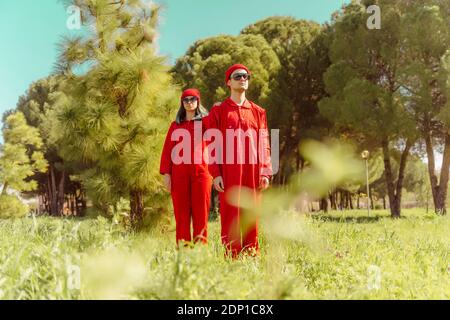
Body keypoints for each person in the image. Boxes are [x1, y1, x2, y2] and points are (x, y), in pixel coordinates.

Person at [205, 64, 272, 258]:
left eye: (246, 76)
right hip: (228, 171)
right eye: (238, 76)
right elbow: (212, 144)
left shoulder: (259, 111)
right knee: (230, 215)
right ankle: (232, 258)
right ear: (228, 82)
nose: (243, 79)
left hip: (253, 170)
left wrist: (265, 171)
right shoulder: (218, 112)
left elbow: (264, 143)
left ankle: (251, 255)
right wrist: (215, 173)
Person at [160, 88, 212, 245]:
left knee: (201, 215)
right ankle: (183, 254)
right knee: (182, 217)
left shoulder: (206, 123)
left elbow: (217, 145)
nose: (189, 103)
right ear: (182, 104)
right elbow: (167, 150)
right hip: (179, 175)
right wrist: (166, 174)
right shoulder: (175, 126)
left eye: (193, 99)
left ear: (198, 102)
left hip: (201, 174)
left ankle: (200, 254)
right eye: (186, 100)